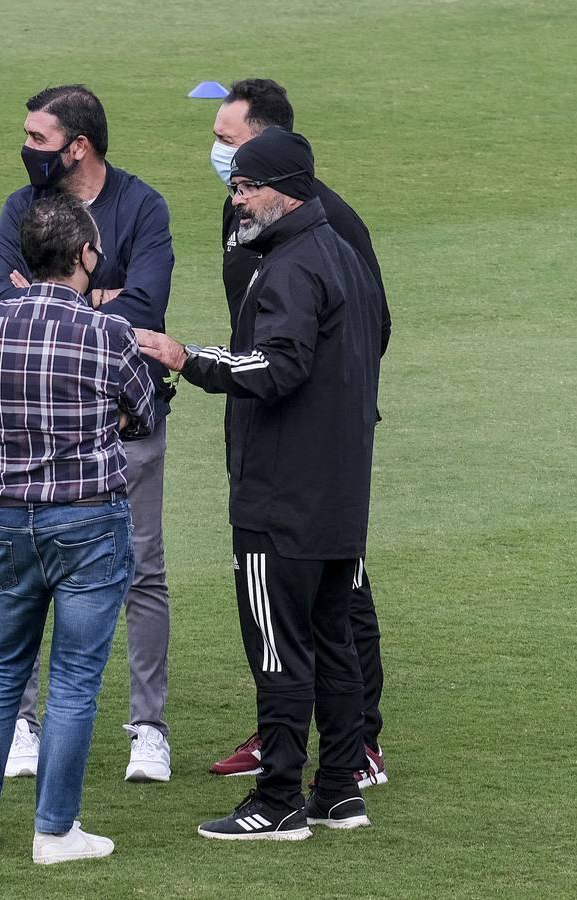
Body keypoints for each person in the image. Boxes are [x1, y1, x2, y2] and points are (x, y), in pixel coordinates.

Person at [136, 127, 384, 841]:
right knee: (333, 644)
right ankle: (338, 791)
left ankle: (276, 801)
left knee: (278, 649)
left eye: (245, 186)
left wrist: (187, 357)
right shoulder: (342, 256)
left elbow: (276, 368)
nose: (236, 199)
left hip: (280, 498)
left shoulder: (286, 267)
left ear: (286, 188)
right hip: (340, 494)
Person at [0, 193, 155, 864]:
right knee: (73, 677)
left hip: (9, 517)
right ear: (83, 257)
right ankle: (55, 831)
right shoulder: (108, 332)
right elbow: (143, 409)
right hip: (87, 518)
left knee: (0, 667)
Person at [0, 84, 176, 783]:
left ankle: (147, 728)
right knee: (31, 573)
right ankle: (20, 723)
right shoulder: (20, 206)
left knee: (142, 570)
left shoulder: (141, 206)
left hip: (126, 419)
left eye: (36, 138)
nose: (25, 149)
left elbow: (148, 304)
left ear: (78, 146)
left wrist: (56, 299)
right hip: (41, 419)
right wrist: (101, 301)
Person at [206, 78, 391, 788]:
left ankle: (356, 746)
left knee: (338, 588)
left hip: (311, 439)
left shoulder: (329, 223)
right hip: (259, 419)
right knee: (292, 592)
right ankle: (287, 730)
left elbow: (369, 325)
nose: (219, 163)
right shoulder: (245, 212)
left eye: (228, 144)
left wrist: (328, 411)